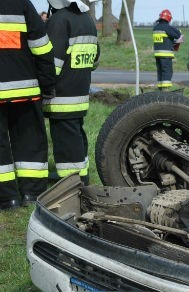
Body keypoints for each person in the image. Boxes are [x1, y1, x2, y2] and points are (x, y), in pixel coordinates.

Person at [0, 0, 56, 210]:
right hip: (25, 90)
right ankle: (31, 194)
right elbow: (42, 47)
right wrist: (48, 84)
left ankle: (7, 199)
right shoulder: (21, 3)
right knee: (30, 143)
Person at [44, 0, 99, 184]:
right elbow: (95, 59)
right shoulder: (88, 20)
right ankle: (81, 177)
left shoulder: (59, 20)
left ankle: (70, 184)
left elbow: (52, 63)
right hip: (81, 92)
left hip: (61, 95)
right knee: (76, 135)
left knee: (65, 141)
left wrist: (44, 86)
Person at [153, 9, 183, 90]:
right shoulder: (167, 27)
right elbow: (178, 35)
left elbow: (165, 38)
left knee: (160, 71)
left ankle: (160, 88)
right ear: (168, 18)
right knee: (167, 71)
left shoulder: (155, 28)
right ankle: (166, 90)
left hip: (157, 54)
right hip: (166, 55)